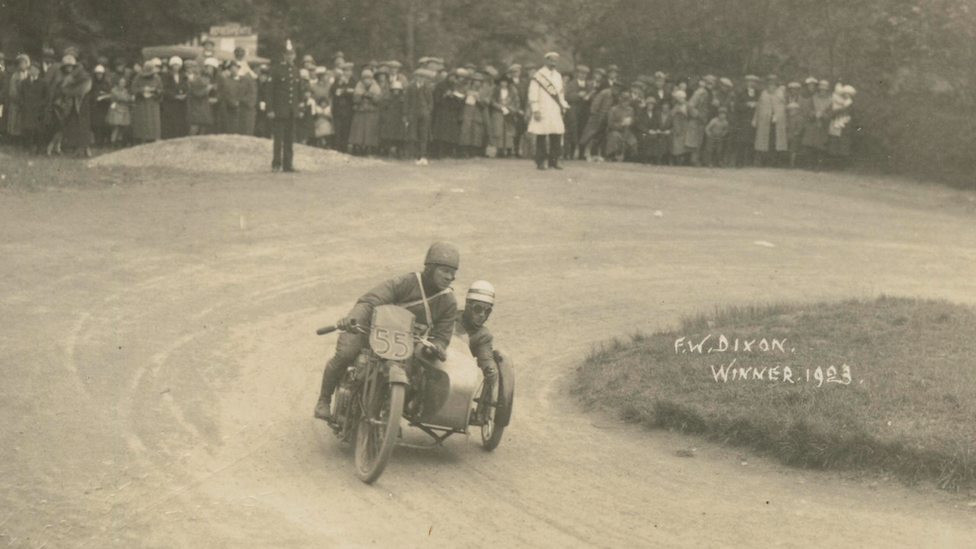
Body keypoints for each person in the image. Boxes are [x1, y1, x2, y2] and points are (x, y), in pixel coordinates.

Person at [314, 242, 461, 421]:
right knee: (346, 353)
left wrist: (437, 346)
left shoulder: (448, 302)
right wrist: (353, 319)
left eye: (452, 273)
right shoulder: (406, 283)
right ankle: (324, 401)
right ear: (430, 268)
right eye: (444, 271)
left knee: (419, 377)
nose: (449, 277)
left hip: (407, 343)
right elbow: (370, 301)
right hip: (372, 330)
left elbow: (442, 335)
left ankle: (389, 414)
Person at [454, 281, 499, 395]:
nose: (482, 315)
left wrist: (489, 368)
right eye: (478, 308)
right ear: (467, 305)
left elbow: (485, 356)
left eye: (487, 310)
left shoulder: (483, 336)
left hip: (459, 377)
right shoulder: (449, 317)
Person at [527, 52, 570, 170]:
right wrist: (535, 109)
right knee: (541, 135)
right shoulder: (539, 75)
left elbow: (560, 92)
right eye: (551, 61)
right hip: (542, 108)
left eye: (555, 61)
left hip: (555, 109)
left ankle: (554, 161)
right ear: (546, 61)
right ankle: (540, 162)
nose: (553, 63)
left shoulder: (557, 75)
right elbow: (532, 93)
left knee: (556, 135)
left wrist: (563, 105)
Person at [267, 40, 304, 172]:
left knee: (289, 139)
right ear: (283, 55)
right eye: (287, 54)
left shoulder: (296, 71)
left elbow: (299, 92)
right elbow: (269, 91)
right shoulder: (276, 70)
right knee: (278, 140)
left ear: (295, 56)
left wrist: (300, 108)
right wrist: (270, 109)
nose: (290, 57)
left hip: (291, 110)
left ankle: (288, 165)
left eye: (292, 54)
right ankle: (276, 164)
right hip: (279, 110)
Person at [752, 74, 787, 166]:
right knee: (763, 141)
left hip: (777, 122)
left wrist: (777, 115)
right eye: (769, 84)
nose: (771, 86)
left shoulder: (780, 93)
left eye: (773, 84)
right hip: (764, 121)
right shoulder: (764, 94)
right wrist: (755, 119)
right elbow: (759, 107)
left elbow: (783, 107)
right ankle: (763, 161)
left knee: (775, 141)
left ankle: (774, 161)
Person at [348, 68, 382, 155]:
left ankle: (368, 149)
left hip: (371, 112)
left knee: (369, 131)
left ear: (372, 79)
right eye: (365, 79)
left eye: (369, 78)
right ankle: (357, 147)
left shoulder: (376, 87)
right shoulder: (358, 86)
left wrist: (371, 96)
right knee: (358, 131)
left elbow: (378, 100)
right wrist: (362, 95)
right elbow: (355, 99)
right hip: (360, 111)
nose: (367, 81)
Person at [404, 68, 434, 165]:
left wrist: (428, 111)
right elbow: (406, 101)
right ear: (415, 77)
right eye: (419, 76)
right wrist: (406, 114)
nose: (420, 78)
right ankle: (413, 155)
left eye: (422, 77)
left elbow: (430, 101)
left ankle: (422, 155)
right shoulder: (410, 87)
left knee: (423, 135)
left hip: (424, 114)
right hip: (413, 114)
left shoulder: (428, 87)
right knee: (413, 135)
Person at [489, 75, 521, 158]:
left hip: (509, 112)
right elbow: (492, 100)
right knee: (498, 130)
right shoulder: (495, 90)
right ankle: (499, 150)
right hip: (498, 112)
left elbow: (516, 101)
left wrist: (510, 109)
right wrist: (500, 107)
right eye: (502, 82)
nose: (503, 83)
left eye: (505, 82)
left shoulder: (513, 91)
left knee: (509, 131)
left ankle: (509, 150)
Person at [732, 75, 760, 167]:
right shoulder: (741, 93)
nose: (752, 84)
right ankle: (739, 162)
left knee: (752, 140)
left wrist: (756, 105)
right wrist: (747, 105)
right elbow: (736, 106)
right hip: (743, 119)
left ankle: (749, 162)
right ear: (746, 82)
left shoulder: (758, 93)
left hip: (755, 119)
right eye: (750, 81)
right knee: (741, 140)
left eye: (754, 82)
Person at [130, 62, 162, 143]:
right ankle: (141, 138)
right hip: (142, 103)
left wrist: (155, 91)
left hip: (153, 103)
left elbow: (161, 89)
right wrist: (142, 90)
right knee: (143, 121)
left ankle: (153, 138)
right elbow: (133, 89)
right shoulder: (138, 77)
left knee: (153, 121)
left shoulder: (157, 77)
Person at [330, 62, 356, 153]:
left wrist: (343, 91)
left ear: (352, 72)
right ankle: (337, 148)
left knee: (346, 129)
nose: (347, 73)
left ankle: (344, 148)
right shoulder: (338, 80)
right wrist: (340, 85)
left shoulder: (354, 81)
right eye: (345, 71)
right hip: (338, 109)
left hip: (348, 109)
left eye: (349, 71)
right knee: (338, 129)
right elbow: (333, 91)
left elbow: (354, 93)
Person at [605, 88, 636, 161]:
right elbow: (610, 124)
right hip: (615, 130)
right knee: (615, 136)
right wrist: (621, 124)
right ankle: (611, 155)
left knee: (632, 139)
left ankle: (629, 156)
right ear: (620, 102)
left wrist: (630, 122)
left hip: (627, 130)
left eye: (627, 102)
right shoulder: (613, 109)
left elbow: (633, 120)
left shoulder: (630, 110)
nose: (626, 104)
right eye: (624, 102)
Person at [161, 56, 188, 139]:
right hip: (170, 102)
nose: (176, 67)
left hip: (181, 103)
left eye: (178, 65)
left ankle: (180, 136)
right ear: (171, 65)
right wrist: (174, 96)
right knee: (170, 121)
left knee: (181, 120)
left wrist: (184, 94)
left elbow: (186, 87)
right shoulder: (166, 76)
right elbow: (164, 89)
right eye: (174, 65)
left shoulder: (183, 76)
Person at [106, 75, 132, 146]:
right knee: (116, 127)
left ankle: (119, 141)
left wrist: (127, 98)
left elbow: (129, 98)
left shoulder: (125, 91)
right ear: (117, 83)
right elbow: (119, 97)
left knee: (122, 127)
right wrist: (126, 98)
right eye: (121, 82)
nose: (122, 84)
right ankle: (113, 142)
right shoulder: (114, 90)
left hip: (124, 109)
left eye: (124, 83)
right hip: (116, 109)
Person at [670, 89, 690, 165]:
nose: (681, 100)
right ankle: (676, 159)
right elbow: (671, 115)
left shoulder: (687, 105)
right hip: (676, 125)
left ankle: (682, 159)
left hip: (685, 125)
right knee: (676, 143)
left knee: (684, 143)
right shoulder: (676, 106)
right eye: (679, 98)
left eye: (682, 98)